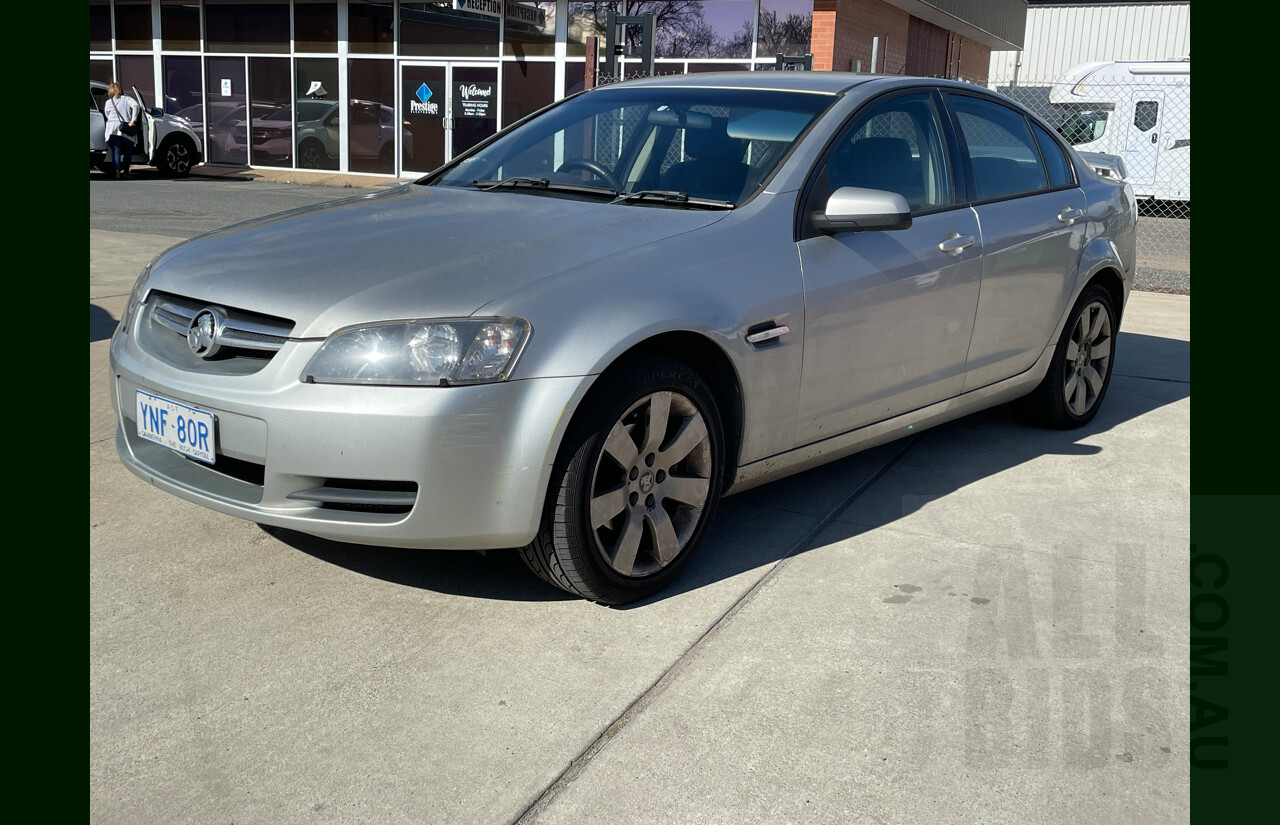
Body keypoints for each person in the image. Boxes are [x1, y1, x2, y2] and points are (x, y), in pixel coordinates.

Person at [103, 82, 141, 179]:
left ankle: (117, 172)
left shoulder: (108, 102)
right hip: (126, 129)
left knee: (116, 151)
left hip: (112, 129)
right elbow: (136, 106)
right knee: (128, 151)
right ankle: (126, 172)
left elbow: (107, 115)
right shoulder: (127, 99)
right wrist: (133, 120)